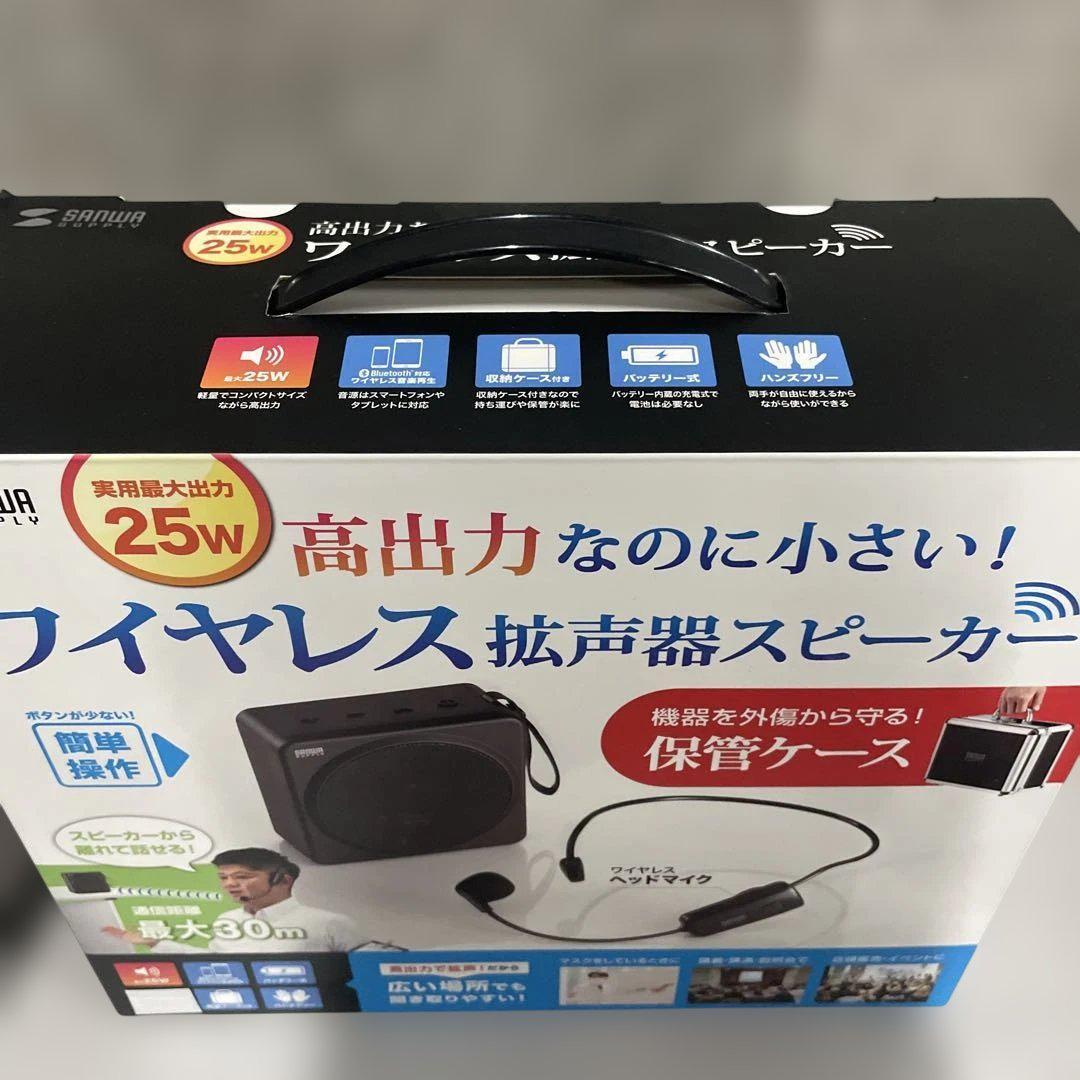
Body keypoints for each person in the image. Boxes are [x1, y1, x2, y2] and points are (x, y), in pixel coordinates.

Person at [101, 847, 364, 953]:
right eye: (223, 877)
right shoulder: (226, 921)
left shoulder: (329, 923)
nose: (229, 884)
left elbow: (370, 970)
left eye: (242, 877)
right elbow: (216, 962)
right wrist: (156, 943)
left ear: (283, 880)